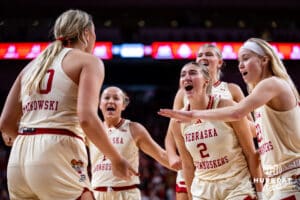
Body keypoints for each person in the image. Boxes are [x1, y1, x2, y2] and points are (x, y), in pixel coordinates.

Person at [0, 9, 137, 200]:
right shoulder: (89, 62)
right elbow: (87, 118)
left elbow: (6, 122)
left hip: (18, 158)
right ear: (87, 34)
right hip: (57, 149)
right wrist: (116, 158)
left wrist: (30, 144)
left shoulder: (30, 67)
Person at [159, 38, 300, 200]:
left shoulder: (268, 85)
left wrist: (195, 115)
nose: (240, 65)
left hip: (286, 175)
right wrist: (171, 154)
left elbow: (238, 115)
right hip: (270, 177)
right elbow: (257, 130)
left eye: (246, 58)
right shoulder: (260, 96)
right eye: (239, 60)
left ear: (264, 60)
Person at [164, 43, 256, 200]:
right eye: (199, 55)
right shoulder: (183, 94)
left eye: (208, 54)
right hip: (198, 166)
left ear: (219, 62)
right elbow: (171, 133)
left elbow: (253, 131)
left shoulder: (231, 90)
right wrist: (172, 156)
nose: (203, 57)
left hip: (229, 164)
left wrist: (229, 117)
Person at [89, 86, 174, 200]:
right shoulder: (91, 131)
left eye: (116, 98)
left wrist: (191, 168)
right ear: (99, 104)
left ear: (123, 105)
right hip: (96, 194)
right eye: (106, 97)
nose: (111, 101)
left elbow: (161, 155)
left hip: (126, 193)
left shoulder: (134, 129)